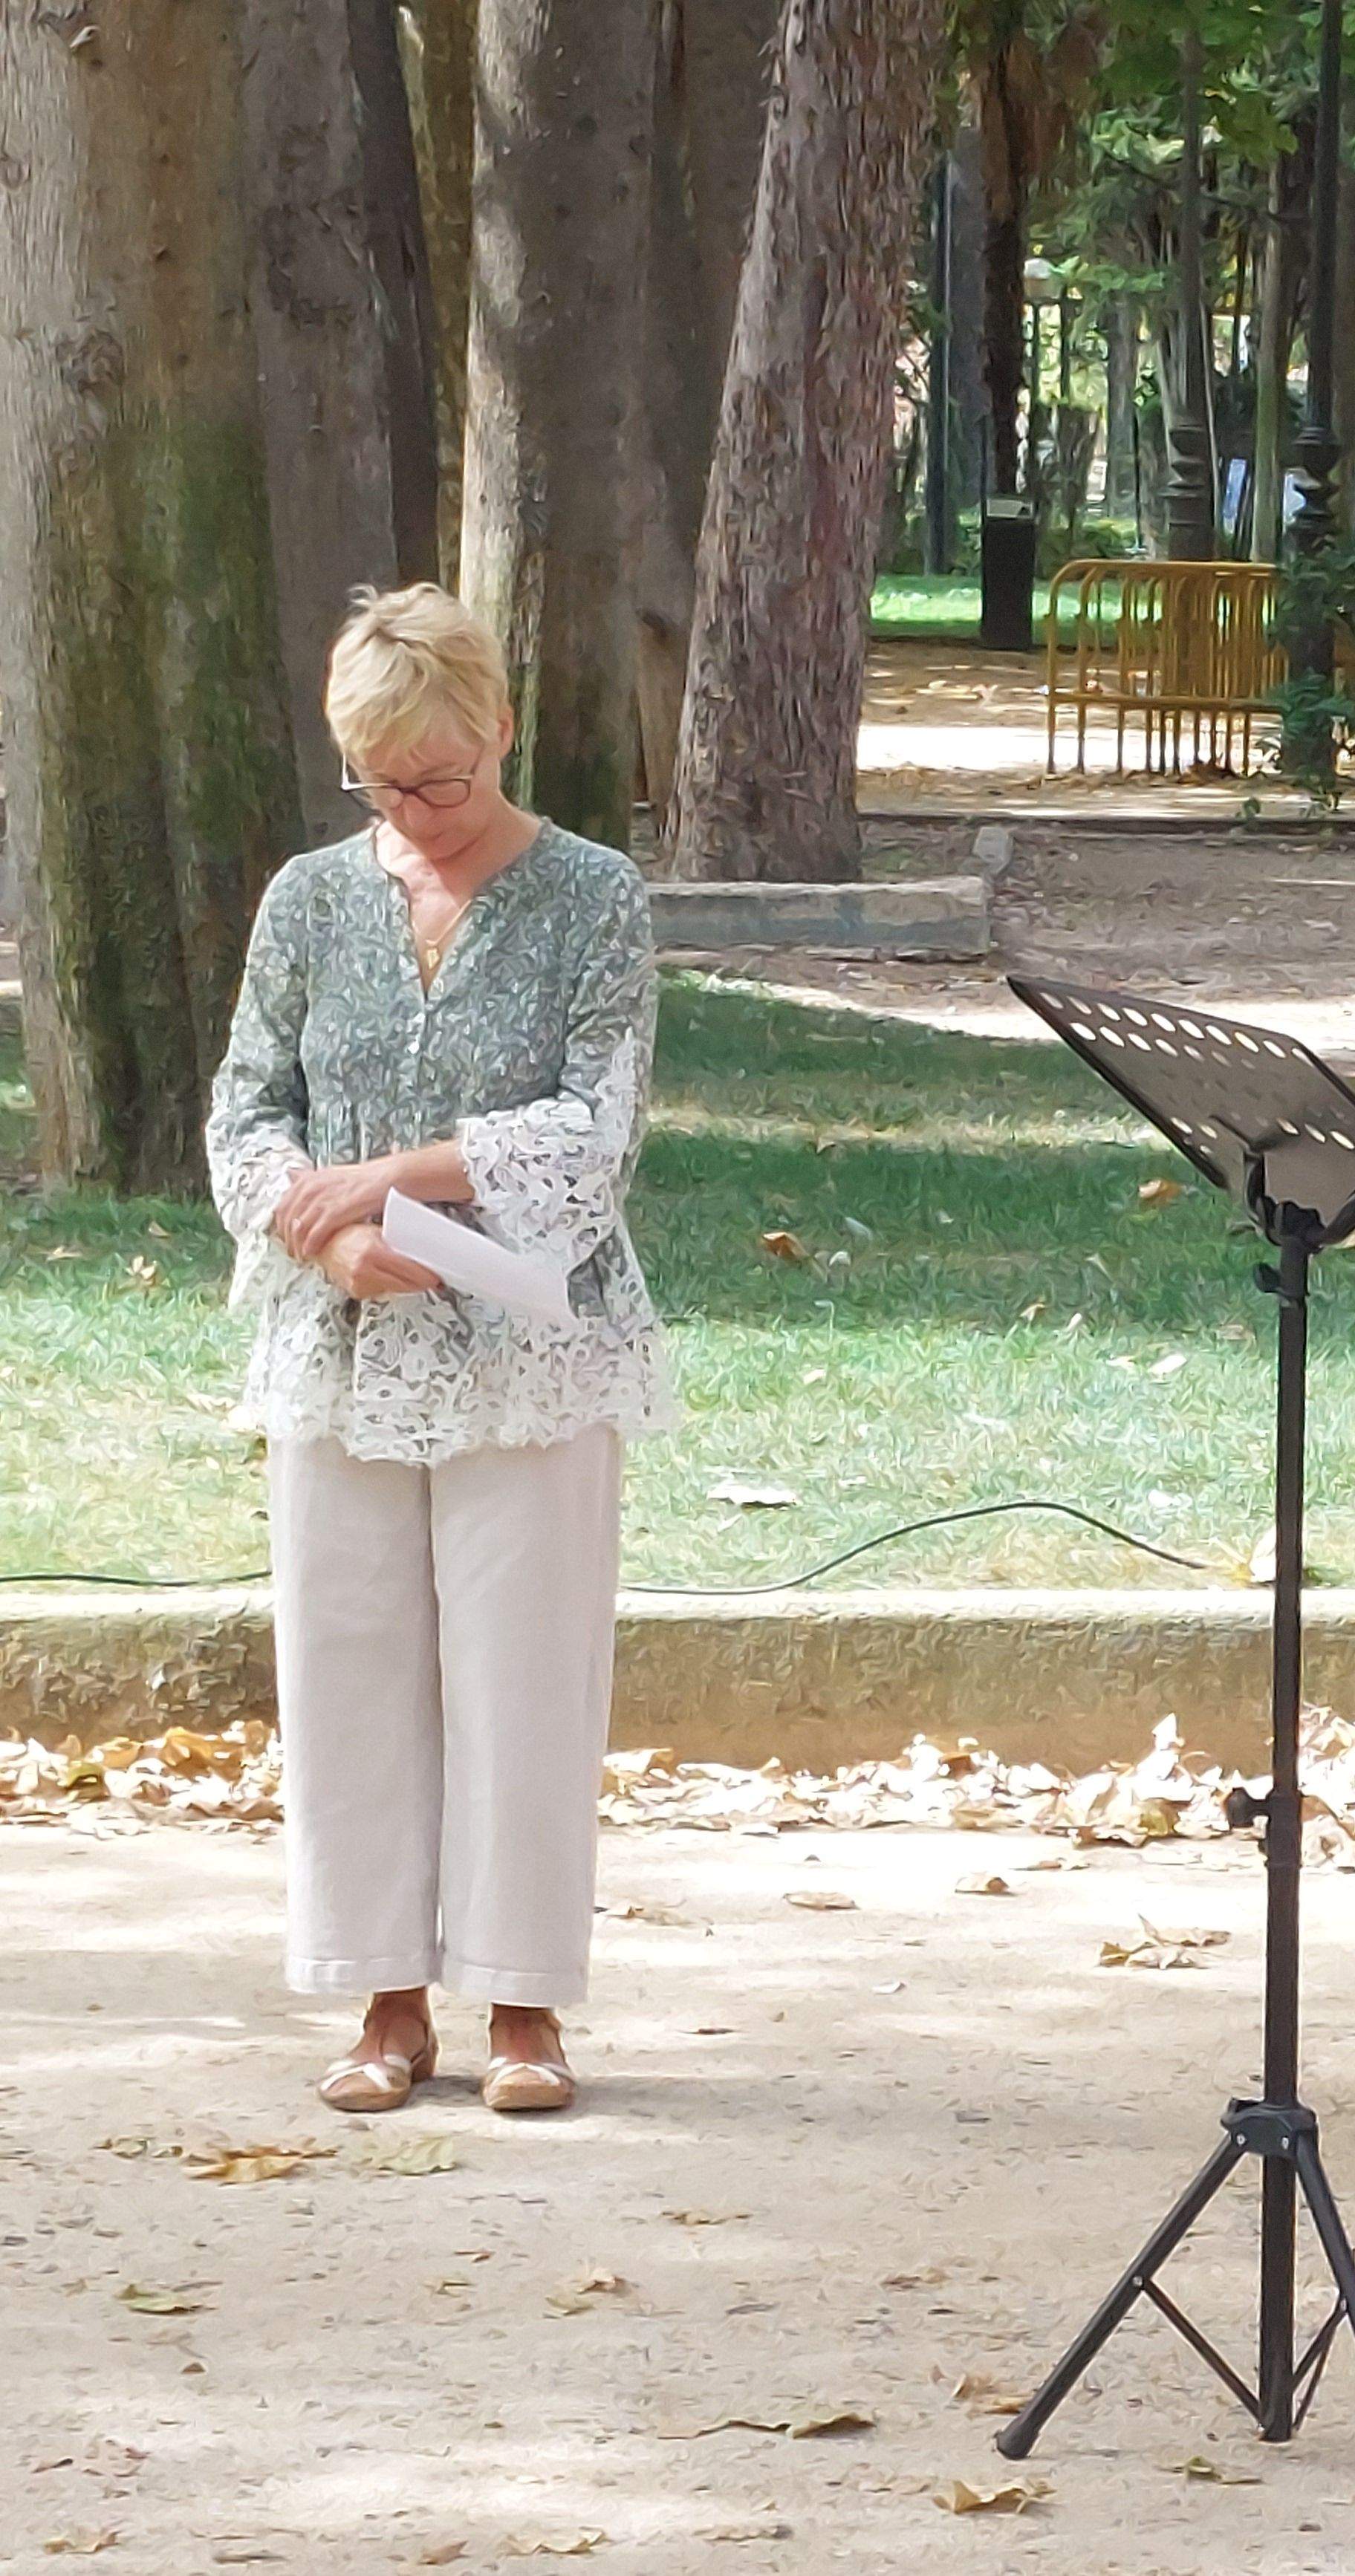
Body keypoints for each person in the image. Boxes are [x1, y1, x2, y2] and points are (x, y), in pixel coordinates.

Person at [206, 583, 674, 2117]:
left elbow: (592, 1131)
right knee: (349, 1666)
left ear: (501, 730)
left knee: (523, 1674)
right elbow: (245, 1108)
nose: (416, 810)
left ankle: (523, 2007)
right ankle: (386, 2000)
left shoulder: (595, 893)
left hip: (530, 1352)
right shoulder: (307, 899)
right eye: (384, 783)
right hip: (338, 1346)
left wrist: (396, 1173)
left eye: (441, 777)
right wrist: (320, 1228)